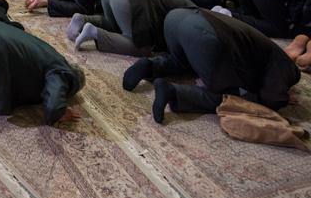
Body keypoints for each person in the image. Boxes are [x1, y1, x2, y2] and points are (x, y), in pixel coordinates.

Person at [123, 8, 300, 124]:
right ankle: (174, 92)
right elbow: (272, 99)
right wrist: (280, 98)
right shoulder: (286, 68)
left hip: (177, 18)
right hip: (206, 38)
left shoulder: (266, 47)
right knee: (237, 97)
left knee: (184, 60)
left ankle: (151, 66)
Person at [71, 0, 196, 56]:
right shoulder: (192, 14)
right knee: (141, 48)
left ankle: (84, 19)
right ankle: (95, 32)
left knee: (115, 26)